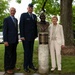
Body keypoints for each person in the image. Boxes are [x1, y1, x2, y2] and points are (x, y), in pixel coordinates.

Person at [19, 3, 37, 72]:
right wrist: (22, 36)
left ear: (33, 9)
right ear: (27, 8)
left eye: (32, 8)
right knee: (26, 52)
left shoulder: (34, 16)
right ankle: (25, 66)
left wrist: (35, 35)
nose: (30, 9)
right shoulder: (23, 15)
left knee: (31, 51)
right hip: (25, 38)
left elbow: (35, 26)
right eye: (29, 7)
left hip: (32, 37)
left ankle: (31, 65)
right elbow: (21, 26)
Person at [3, 7, 20, 74]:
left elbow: (16, 30)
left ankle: (13, 66)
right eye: (11, 10)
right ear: (10, 11)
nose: (13, 11)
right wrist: (5, 40)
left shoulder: (16, 20)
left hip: (15, 41)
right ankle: (7, 68)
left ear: (15, 12)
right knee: (8, 55)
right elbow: (5, 31)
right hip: (8, 41)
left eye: (14, 10)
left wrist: (17, 39)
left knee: (13, 54)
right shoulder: (6, 19)